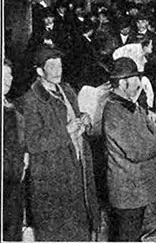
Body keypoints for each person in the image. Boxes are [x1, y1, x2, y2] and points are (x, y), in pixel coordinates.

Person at [22, 47, 99, 241]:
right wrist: (66, 130)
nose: (58, 70)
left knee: (81, 227)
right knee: (58, 232)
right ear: (40, 71)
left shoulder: (66, 89)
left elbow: (73, 117)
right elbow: (33, 142)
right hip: (52, 176)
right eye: (52, 66)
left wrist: (84, 119)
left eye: (60, 65)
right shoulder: (31, 101)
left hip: (77, 167)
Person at [103, 57, 156, 241]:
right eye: (136, 79)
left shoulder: (128, 105)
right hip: (128, 195)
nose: (139, 84)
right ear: (123, 83)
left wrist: (152, 136)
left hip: (136, 192)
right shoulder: (115, 112)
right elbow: (138, 151)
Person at [3, 58, 29, 241]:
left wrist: (25, 154)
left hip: (15, 183)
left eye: (9, 75)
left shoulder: (11, 106)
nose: (7, 80)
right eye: (2, 76)